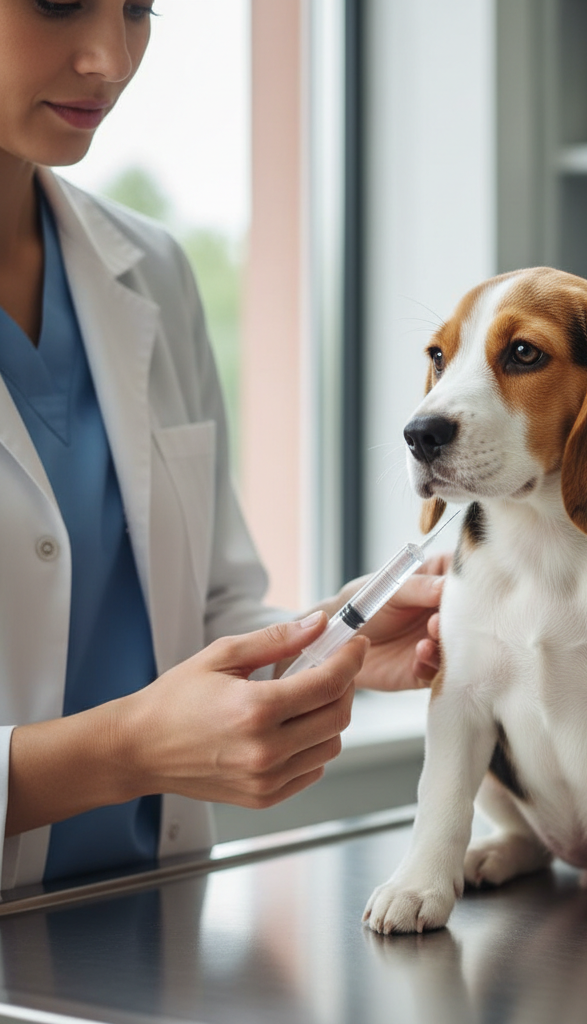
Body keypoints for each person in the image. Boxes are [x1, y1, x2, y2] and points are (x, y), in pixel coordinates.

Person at [0, 0, 444, 888]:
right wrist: (126, 753)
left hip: (147, 915)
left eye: (139, 8)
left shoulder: (151, 270)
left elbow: (205, 613)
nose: (111, 58)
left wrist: (335, 639)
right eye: (57, 2)